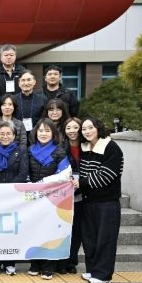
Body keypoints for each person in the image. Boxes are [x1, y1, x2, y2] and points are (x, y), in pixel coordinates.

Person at [73, 117, 124, 283]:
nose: (87, 131)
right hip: (88, 201)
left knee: (105, 239)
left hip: (107, 202)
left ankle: (103, 275)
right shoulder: (85, 147)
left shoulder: (111, 147)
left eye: (90, 127)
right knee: (89, 239)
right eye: (84, 129)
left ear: (98, 128)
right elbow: (83, 171)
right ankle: (92, 270)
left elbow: (105, 175)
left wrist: (81, 183)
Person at [26, 118, 72, 280]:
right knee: (34, 230)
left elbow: (65, 174)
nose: (43, 134)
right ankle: (35, 264)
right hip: (33, 197)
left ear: (53, 133)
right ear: (35, 133)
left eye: (47, 131)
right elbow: (25, 169)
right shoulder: (29, 150)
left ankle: (48, 266)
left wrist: (43, 183)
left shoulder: (59, 151)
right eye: (40, 130)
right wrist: (28, 183)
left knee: (51, 232)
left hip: (53, 198)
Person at [0, 121, 28, 275]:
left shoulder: (21, 151)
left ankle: (10, 262)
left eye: (8, 134)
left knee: (11, 230)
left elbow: (23, 173)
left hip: (13, 197)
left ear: (14, 135)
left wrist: (9, 189)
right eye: (2, 134)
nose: (5, 136)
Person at [62, 117, 83, 274]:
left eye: (75, 127)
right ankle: (61, 262)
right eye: (68, 128)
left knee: (77, 230)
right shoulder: (61, 147)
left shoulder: (88, 147)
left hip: (83, 194)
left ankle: (72, 261)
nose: (72, 131)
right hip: (64, 194)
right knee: (64, 229)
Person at [0, 44, 26, 118]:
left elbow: (25, 88)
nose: (9, 57)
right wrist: (3, 103)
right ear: (1, 57)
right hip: (0, 109)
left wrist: (15, 103)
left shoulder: (22, 71)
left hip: (19, 108)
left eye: (11, 55)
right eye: (6, 55)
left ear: (15, 56)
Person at [12, 70, 46, 143]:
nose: (26, 83)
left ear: (34, 82)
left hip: (37, 137)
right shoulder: (13, 99)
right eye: (23, 80)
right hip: (17, 137)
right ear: (19, 83)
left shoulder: (43, 99)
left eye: (29, 80)